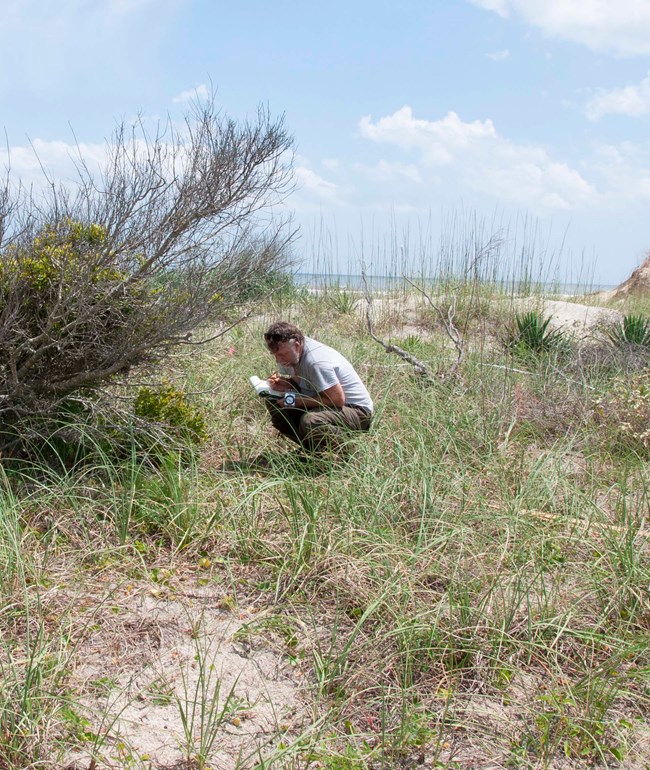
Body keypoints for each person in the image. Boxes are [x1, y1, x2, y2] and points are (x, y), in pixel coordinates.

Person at [262, 322, 373, 451]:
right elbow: (306, 384)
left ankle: (347, 453)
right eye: (275, 355)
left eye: (282, 355)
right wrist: (288, 385)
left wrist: (296, 402)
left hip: (356, 410)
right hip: (327, 404)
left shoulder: (316, 362)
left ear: (297, 346)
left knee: (311, 420)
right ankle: (312, 450)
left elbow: (337, 400)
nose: (278, 360)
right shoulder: (290, 355)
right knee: (273, 401)